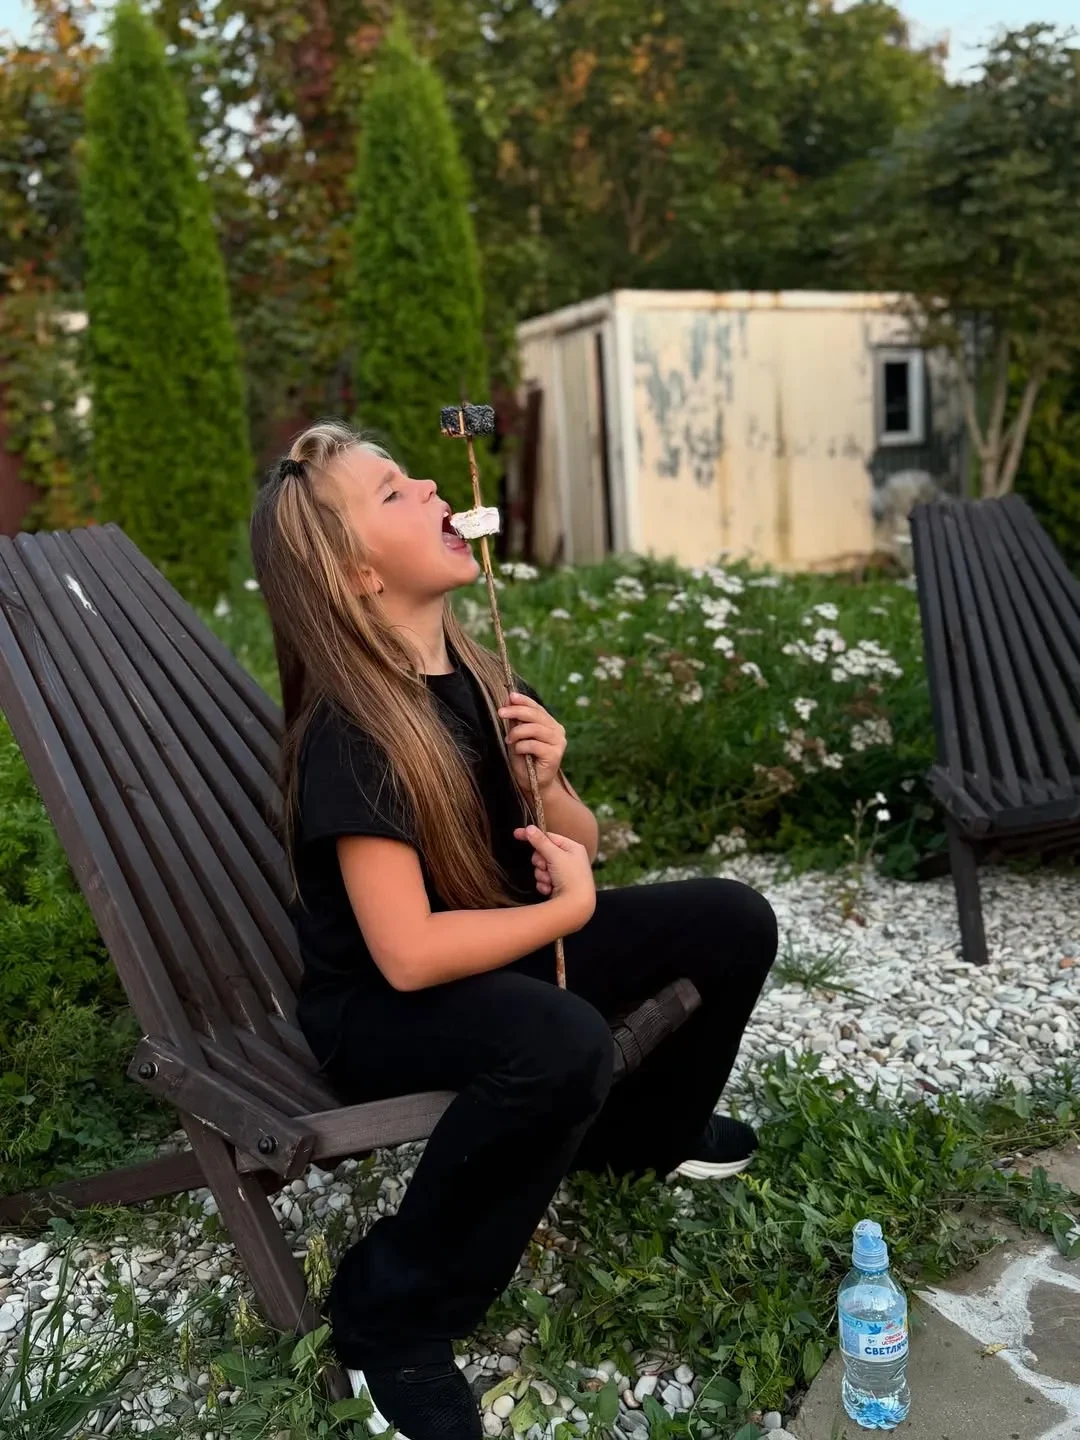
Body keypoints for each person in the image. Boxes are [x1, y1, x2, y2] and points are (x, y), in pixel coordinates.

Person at [250, 420, 778, 1440]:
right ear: (359, 576)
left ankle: (634, 1139)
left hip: (492, 948)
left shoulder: (484, 678)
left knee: (730, 920)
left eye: (417, 476)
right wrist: (564, 914)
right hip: (382, 1011)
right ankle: (392, 1312)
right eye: (394, 492)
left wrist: (552, 775)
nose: (432, 485)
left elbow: (577, 842)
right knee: (561, 1040)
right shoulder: (357, 736)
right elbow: (407, 955)